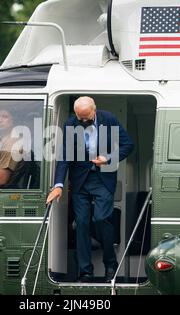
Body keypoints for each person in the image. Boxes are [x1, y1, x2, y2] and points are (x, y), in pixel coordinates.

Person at [46, 96, 133, 283]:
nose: (83, 121)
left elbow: (128, 145)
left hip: (103, 178)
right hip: (80, 181)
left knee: (101, 219)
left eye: (87, 117)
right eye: (80, 118)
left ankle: (111, 264)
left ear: (94, 110)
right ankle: (85, 272)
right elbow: (64, 157)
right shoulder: (70, 124)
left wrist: (108, 158)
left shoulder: (109, 119)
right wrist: (58, 185)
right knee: (81, 225)